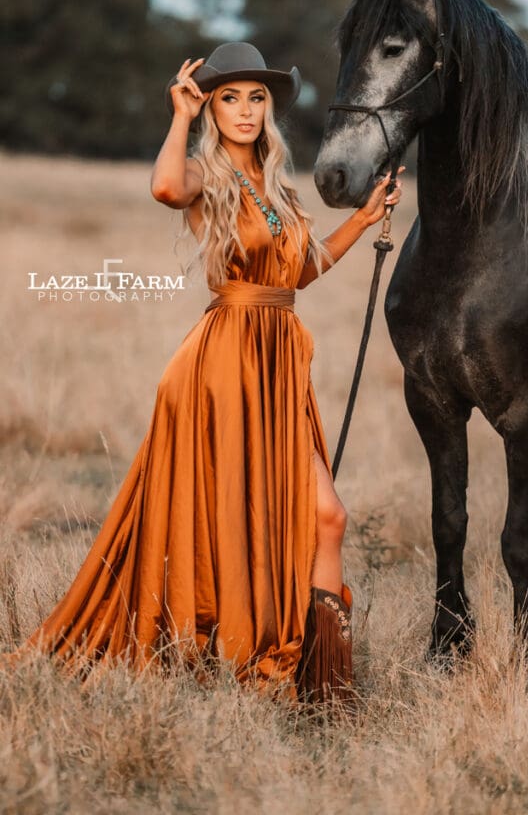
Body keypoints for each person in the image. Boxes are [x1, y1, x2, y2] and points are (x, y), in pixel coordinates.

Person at [13, 42, 403, 706]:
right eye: (230, 98)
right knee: (236, 511)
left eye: (256, 98)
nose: (246, 111)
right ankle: (268, 663)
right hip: (223, 364)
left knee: (325, 516)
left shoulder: (276, 185)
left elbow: (299, 274)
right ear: (210, 108)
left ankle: (322, 672)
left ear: (268, 108)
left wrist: (363, 221)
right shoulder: (204, 173)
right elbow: (164, 188)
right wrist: (177, 115)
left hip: (280, 362)